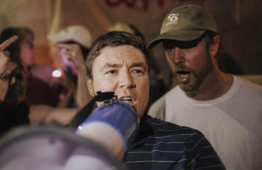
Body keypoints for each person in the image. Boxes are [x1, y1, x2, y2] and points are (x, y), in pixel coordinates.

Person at [85, 31, 224, 169]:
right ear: (90, 85)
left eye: (137, 71)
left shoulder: (188, 145)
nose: (127, 82)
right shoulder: (68, 146)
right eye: (112, 71)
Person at [147, 4, 262, 170]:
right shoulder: (160, 112)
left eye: (187, 45)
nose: (176, 58)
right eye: (169, 47)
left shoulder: (257, 103)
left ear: (213, 45)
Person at [0, 36, 78, 170]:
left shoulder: (28, 112)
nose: (14, 83)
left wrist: (83, 67)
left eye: (19, 77)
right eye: (5, 77)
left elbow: (77, 115)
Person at [0, 27, 60, 107]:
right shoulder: (9, 84)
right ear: (15, 47)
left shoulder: (36, 81)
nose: (34, 50)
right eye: (30, 45)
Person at [48, 25, 93, 108]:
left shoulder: (93, 74)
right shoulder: (67, 73)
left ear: (76, 49)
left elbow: (85, 109)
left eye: (61, 47)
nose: (57, 51)